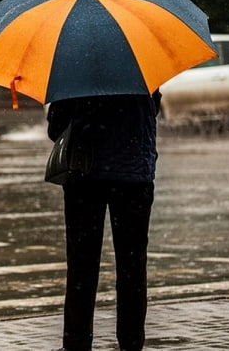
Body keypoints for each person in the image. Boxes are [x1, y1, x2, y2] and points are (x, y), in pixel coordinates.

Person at [46, 90, 161, 351]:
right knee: (132, 268)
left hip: (86, 176)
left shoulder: (75, 73)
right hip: (134, 176)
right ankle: (131, 343)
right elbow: (153, 111)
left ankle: (76, 343)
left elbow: (56, 129)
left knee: (81, 267)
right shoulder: (141, 70)